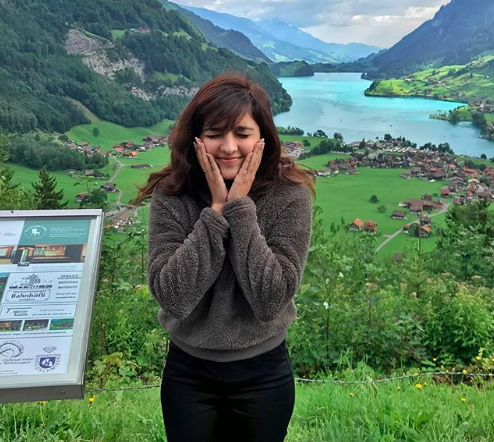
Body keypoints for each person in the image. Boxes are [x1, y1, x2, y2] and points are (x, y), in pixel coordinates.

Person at [133, 72, 316, 442]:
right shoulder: (173, 194)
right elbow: (172, 296)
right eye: (215, 133)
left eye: (242, 133)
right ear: (197, 138)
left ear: (263, 137)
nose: (229, 147)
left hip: (264, 374)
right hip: (189, 373)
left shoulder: (289, 196)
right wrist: (216, 212)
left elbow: (270, 300)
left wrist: (240, 209)